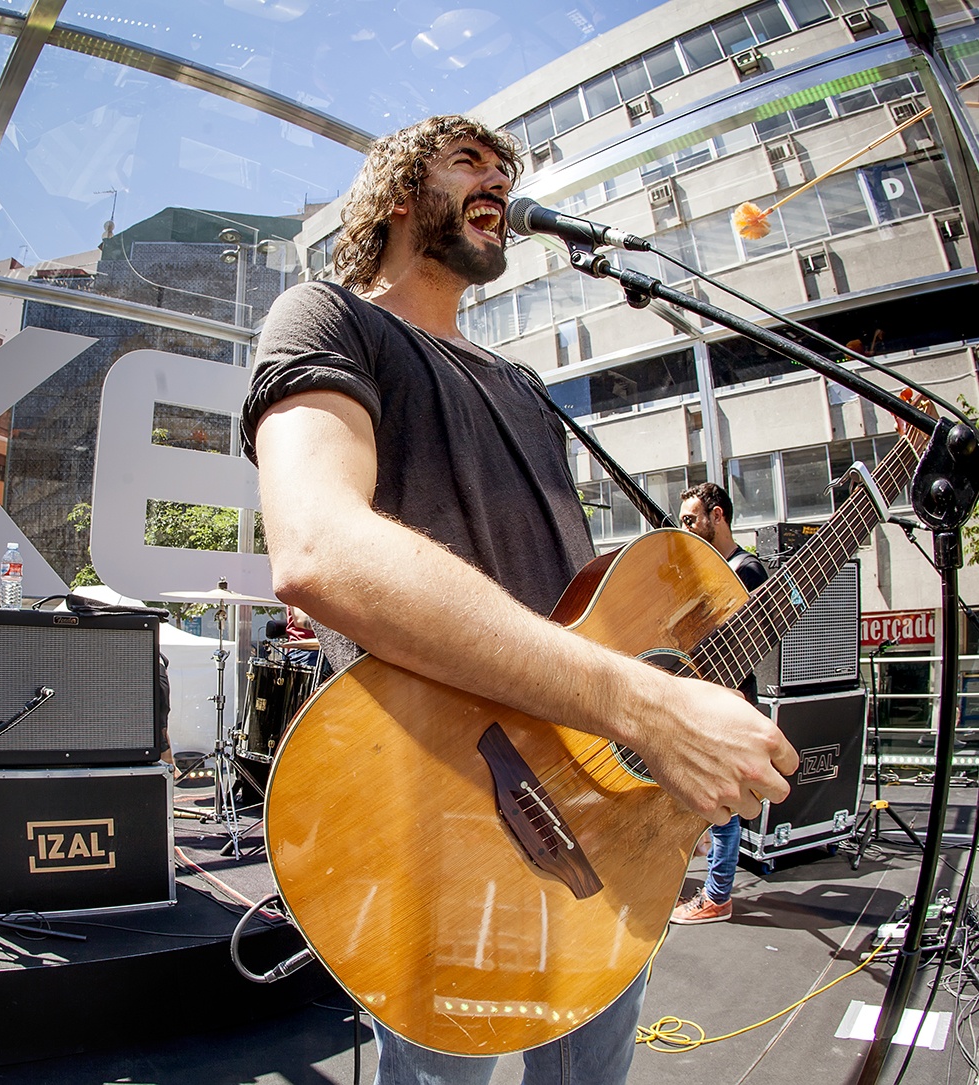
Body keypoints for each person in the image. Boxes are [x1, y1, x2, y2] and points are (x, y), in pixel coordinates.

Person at [240, 114, 797, 1085]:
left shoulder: (528, 389)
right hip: (438, 815)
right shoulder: (325, 318)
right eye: (469, 162)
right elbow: (318, 544)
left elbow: (584, 603)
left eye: (507, 166)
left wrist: (662, 707)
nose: (497, 178)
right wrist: (643, 703)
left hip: (599, 824)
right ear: (400, 192)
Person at [671, 482, 769, 925]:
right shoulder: (708, 564)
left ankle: (716, 896)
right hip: (700, 696)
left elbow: (728, 629)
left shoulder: (745, 568)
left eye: (691, 520)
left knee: (722, 808)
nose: (685, 528)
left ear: (718, 516)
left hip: (728, 699)